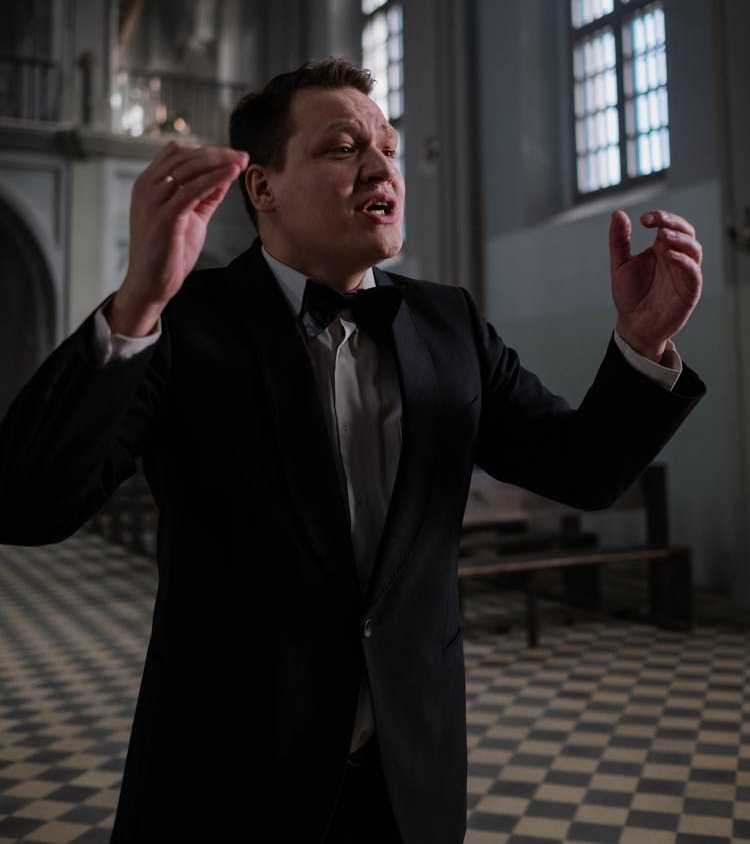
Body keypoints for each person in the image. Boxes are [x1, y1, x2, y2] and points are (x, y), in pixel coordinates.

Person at [0, 56, 705, 843]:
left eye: (390, 147)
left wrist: (642, 343)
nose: (382, 167)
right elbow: (28, 503)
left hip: (406, 774)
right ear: (261, 187)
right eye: (342, 148)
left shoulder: (450, 325)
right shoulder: (187, 323)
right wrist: (136, 302)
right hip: (228, 776)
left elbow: (582, 468)